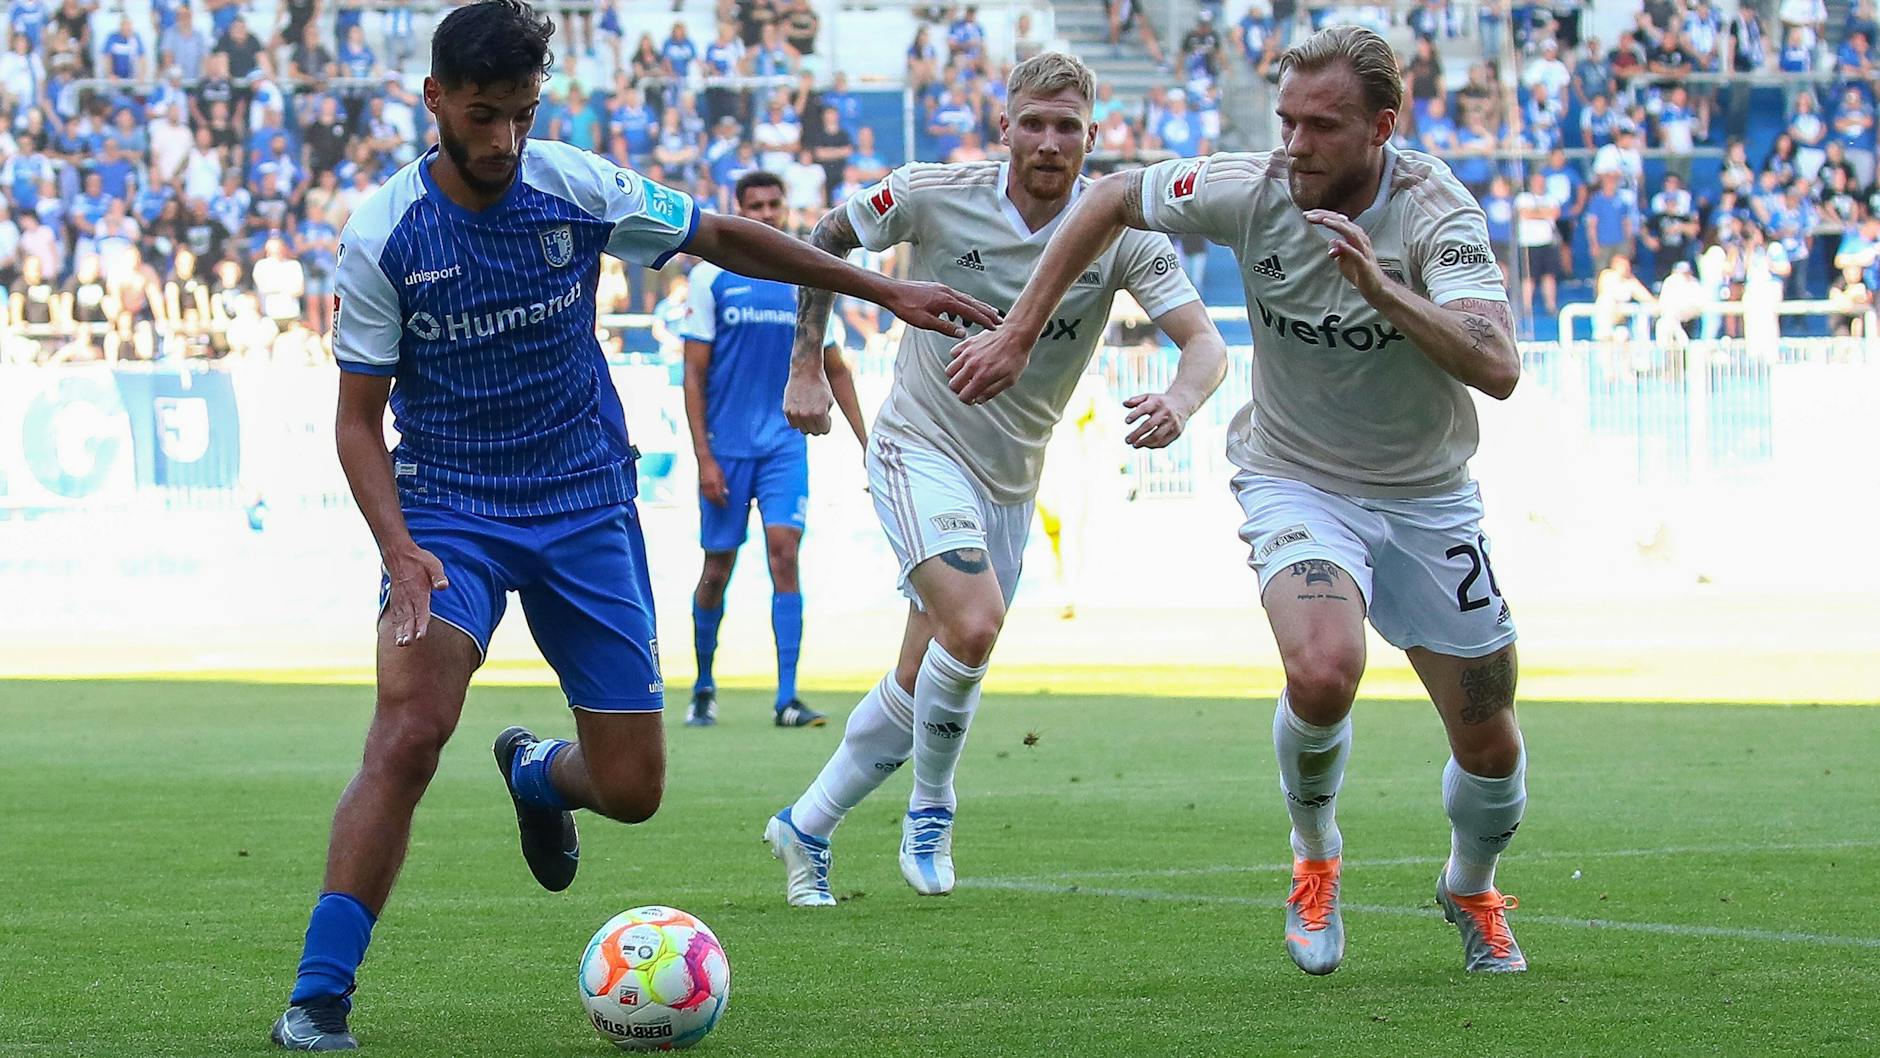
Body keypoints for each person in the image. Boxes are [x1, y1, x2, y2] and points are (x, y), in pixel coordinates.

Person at [269, 2, 999, 1050]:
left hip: (583, 502)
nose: (503, 141)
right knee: (409, 727)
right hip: (448, 511)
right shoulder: (383, 233)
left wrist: (878, 285)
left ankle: (534, 770)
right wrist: (399, 547)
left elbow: (722, 234)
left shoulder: (575, 184)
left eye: (521, 114)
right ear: (433, 100)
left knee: (631, 787)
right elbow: (354, 420)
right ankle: (319, 994)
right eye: (481, 115)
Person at [951, 26, 1529, 977]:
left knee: (1491, 740)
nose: (1295, 143)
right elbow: (1108, 194)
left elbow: (1498, 365)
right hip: (1294, 474)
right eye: (1287, 119)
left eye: (1323, 126)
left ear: (1383, 126)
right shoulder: (1248, 184)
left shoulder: (1438, 216)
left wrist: (1382, 290)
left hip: (1429, 499)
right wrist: (1018, 332)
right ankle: (1315, 857)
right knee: (1322, 668)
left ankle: (1470, 884)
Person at [765, 51, 1228, 905]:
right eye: (1036, 122)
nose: (1051, 142)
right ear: (1004, 125)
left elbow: (1206, 344)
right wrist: (805, 365)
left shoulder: (1121, 227)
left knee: (922, 678)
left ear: (1093, 136)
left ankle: (805, 826)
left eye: (1069, 127)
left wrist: (1181, 399)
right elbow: (824, 238)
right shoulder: (931, 190)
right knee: (973, 628)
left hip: (1011, 481)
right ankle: (932, 808)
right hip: (917, 444)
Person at [680, 170, 867, 729]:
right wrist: (704, 458)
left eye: (774, 204)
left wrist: (869, 442)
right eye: (754, 206)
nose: (765, 213)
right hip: (727, 449)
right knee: (718, 569)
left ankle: (787, 696)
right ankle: (704, 684)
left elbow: (834, 366)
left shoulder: (806, 279)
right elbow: (693, 375)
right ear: (738, 210)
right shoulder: (711, 278)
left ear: (787, 208)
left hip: (785, 445)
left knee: (785, 556)